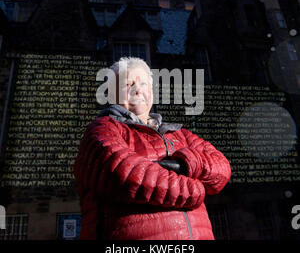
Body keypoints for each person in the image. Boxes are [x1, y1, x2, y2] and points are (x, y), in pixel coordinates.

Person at [73, 57, 231, 240]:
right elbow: (121, 171)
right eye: (128, 84)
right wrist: (193, 189)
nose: (137, 89)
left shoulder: (180, 134)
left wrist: (187, 164)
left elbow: (222, 167)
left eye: (143, 83)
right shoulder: (103, 128)